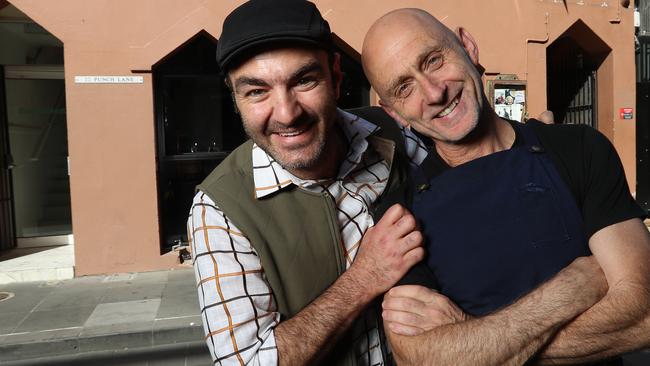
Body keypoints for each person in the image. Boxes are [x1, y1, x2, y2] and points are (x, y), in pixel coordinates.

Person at [362, 8, 650, 366]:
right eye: (404, 88)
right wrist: (570, 290)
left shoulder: (578, 149)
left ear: (467, 46)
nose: (434, 92)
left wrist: (473, 337)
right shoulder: (399, 216)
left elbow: (642, 313)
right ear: (394, 113)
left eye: (434, 60)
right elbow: (422, 359)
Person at [187, 1, 429, 365]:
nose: (286, 113)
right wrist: (365, 278)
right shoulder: (219, 210)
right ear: (234, 97)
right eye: (257, 91)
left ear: (335, 75)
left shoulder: (394, 137)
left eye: (304, 81)